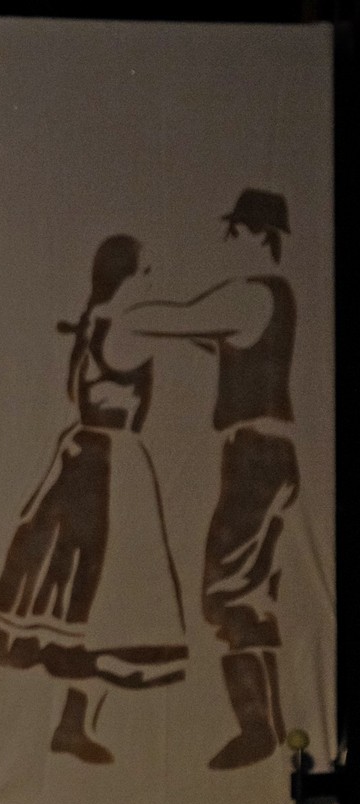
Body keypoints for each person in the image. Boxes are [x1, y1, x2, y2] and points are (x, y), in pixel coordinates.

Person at [0, 234, 189, 763]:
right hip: (106, 463)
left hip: (96, 459)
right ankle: (72, 724)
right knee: (99, 594)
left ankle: (74, 724)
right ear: (125, 276)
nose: (151, 281)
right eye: (144, 272)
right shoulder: (126, 325)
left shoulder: (101, 320)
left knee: (96, 600)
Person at [120, 189, 298, 769]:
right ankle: (267, 729)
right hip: (266, 454)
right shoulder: (270, 297)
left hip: (256, 456)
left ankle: (258, 730)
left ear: (257, 236)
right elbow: (207, 332)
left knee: (226, 594)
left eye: (236, 232)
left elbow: (184, 319)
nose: (228, 242)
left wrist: (129, 312)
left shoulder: (252, 294)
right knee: (248, 596)